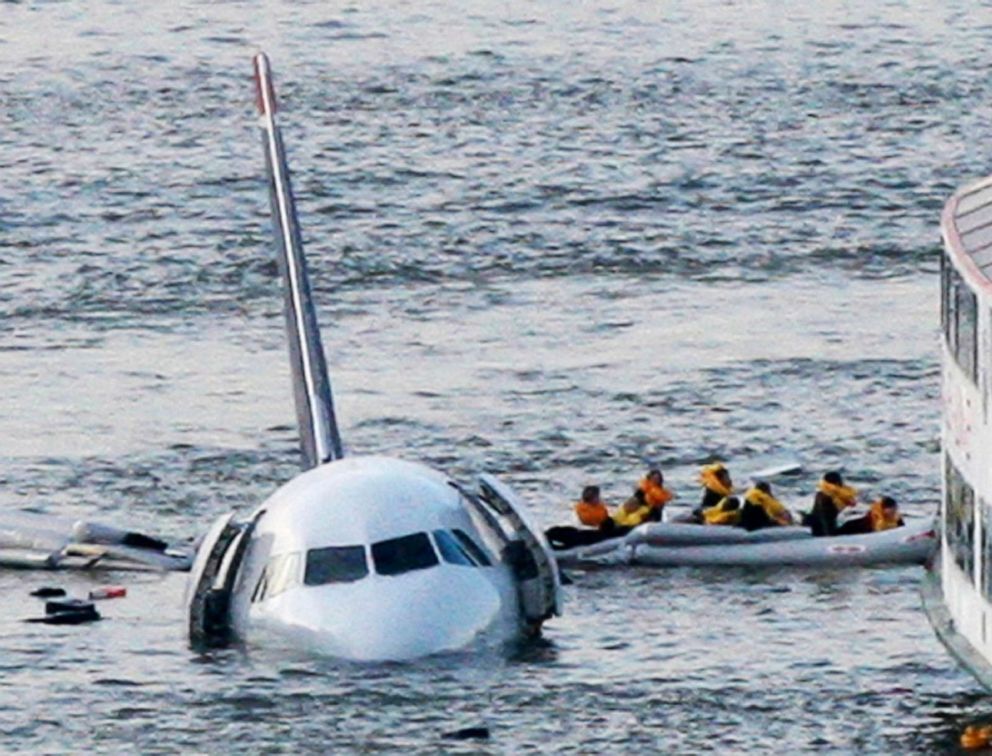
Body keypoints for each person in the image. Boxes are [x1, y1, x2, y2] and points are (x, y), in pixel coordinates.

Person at [545, 485, 624, 551]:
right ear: (592, 498)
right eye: (597, 497)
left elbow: (604, 519)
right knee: (567, 535)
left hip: (592, 531)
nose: (599, 499)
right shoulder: (584, 508)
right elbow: (590, 522)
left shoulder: (597, 507)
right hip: (586, 533)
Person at [808, 471, 857, 536]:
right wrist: (830, 537)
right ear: (837, 483)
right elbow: (825, 521)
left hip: (825, 528)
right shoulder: (825, 498)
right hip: (821, 532)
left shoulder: (828, 494)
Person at [837, 496, 905, 535]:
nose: (894, 513)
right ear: (883, 509)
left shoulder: (897, 519)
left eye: (895, 510)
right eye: (892, 510)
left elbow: (902, 530)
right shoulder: (870, 520)